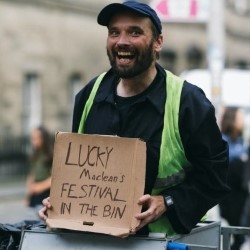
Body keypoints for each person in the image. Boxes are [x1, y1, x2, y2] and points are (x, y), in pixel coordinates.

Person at [39, 1, 230, 236]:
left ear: (158, 42)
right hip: (95, 244)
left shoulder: (187, 101)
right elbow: (81, 175)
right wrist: (61, 203)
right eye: (114, 32)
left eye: (135, 32)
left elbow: (217, 177)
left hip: (164, 243)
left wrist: (167, 202)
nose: (122, 41)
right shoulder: (89, 95)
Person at [219, 107, 248, 250]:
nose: (243, 121)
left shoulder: (241, 142)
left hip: (241, 196)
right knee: (236, 235)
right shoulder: (223, 141)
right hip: (228, 198)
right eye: (240, 117)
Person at [26, 126, 53, 210]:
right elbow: (32, 174)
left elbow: (55, 178)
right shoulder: (35, 155)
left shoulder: (50, 155)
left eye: (36, 138)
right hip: (34, 195)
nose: (33, 141)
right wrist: (28, 196)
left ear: (43, 138)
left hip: (45, 194)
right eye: (32, 138)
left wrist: (39, 187)